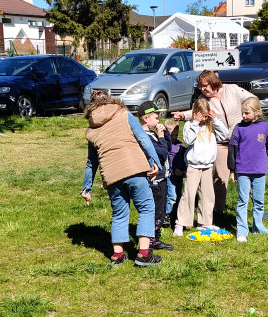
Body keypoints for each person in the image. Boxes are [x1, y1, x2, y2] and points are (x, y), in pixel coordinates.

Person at [81, 91, 163, 266]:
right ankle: (143, 255)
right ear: (110, 101)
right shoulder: (124, 114)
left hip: (111, 176)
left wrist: (87, 187)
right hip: (135, 169)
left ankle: (117, 256)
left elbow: (91, 163)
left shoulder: (92, 130)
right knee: (146, 209)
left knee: (119, 214)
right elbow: (143, 138)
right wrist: (155, 161)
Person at [172, 69, 255, 218]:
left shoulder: (232, 89)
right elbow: (196, 112)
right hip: (221, 142)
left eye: (205, 85)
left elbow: (252, 99)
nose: (203, 89)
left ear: (213, 82)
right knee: (220, 177)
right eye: (201, 87)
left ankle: (257, 207)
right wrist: (183, 115)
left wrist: (248, 115)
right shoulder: (204, 99)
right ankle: (218, 210)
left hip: (241, 140)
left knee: (248, 173)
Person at [173, 98, 229, 236]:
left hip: (207, 166)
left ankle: (205, 222)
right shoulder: (190, 125)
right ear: (196, 113)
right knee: (189, 195)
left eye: (206, 116)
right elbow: (188, 139)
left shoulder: (211, 125)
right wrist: (196, 123)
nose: (204, 119)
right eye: (202, 116)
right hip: (193, 166)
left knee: (207, 195)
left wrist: (215, 120)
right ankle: (180, 223)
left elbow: (224, 135)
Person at [228, 97, 268, 242]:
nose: (243, 116)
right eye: (242, 113)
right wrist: (233, 170)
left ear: (257, 112)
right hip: (242, 170)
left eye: (247, 113)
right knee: (243, 200)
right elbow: (232, 149)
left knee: (259, 201)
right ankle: (242, 230)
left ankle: (258, 227)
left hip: (259, 170)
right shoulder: (239, 128)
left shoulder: (266, 127)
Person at [137, 102, 175, 251]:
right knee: (156, 209)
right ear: (146, 118)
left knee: (162, 207)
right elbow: (162, 152)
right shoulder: (144, 136)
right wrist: (160, 137)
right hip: (155, 179)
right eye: (156, 118)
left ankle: (155, 237)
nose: (158, 121)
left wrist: (164, 134)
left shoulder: (153, 133)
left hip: (162, 177)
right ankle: (151, 238)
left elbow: (169, 147)